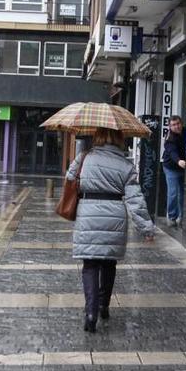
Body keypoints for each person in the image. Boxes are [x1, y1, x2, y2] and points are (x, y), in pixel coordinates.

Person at [67, 127, 156, 333]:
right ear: (119, 139)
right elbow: (135, 199)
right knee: (108, 263)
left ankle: (90, 313)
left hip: (87, 213)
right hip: (114, 215)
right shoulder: (125, 165)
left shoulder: (84, 157)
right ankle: (103, 305)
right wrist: (146, 228)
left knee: (90, 265)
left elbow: (69, 178)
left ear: (97, 137)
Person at [162, 116, 186, 227]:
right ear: (170, 127)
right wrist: (178, 161)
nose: (176, 126)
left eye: (178, 123)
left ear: (181, 123)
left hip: (184, 167)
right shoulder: (169, 138)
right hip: (171, 167)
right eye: (173, 125)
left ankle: (182, 217)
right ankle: (172, 217)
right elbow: (172, 152)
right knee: (173, 193)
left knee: (183, 193)